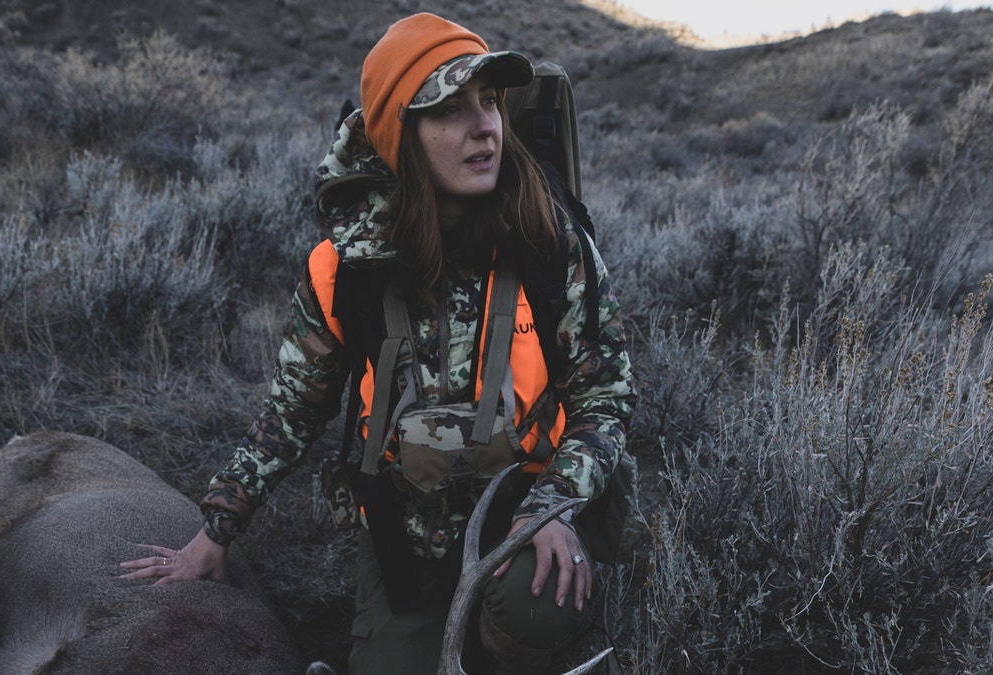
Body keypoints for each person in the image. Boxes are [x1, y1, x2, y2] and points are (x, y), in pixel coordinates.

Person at [121, 12, 635, 674]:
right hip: (402, 532)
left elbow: (606, 396)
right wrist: (215, 531)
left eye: (489, 103)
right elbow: (292, 412)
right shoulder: (343, 269)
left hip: (523, 511)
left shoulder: (553, 243)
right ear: (402, 134)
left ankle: (507, 645)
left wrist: (554, 508)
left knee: (531, 602)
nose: (484, 127)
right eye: (450, 109)